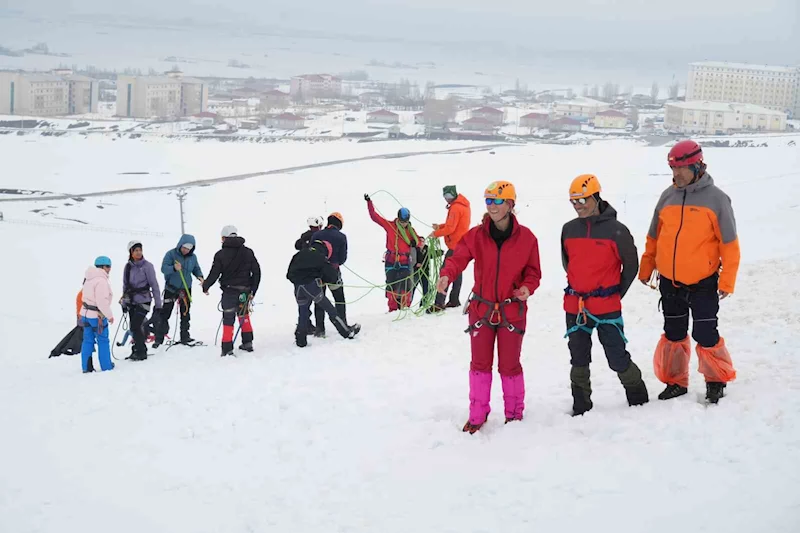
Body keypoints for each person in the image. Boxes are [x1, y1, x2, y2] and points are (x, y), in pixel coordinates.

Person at [639, 139, 739, 404]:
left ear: (697, 166)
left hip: (703, 281)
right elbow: (653, 236)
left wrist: (727, 280)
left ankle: (715, 380)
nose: (677, 174)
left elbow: (729, 245)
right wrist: (647, 265)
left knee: (705, 333)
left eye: (682, 168)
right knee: (674, 332)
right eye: (673, 168)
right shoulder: (667, 196)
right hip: (669, 281)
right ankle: (675, 382)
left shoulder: (717, 199)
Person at [437, 181, 541, 433]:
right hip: (481, 311)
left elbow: (533, 272)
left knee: (510, 365)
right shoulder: (476, 236)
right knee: (479, 365)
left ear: (510, 204)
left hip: (512, 311)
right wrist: (447, 274)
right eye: (488, 201)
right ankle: (477, 415)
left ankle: (514, 415)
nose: (492, 206)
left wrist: (527, 288)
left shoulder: (527, 238)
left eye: (497, 201)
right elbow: (458, 258)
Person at [561, 174, 648, 416]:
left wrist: (614, 293)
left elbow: (631, 266)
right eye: (573, 201)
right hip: (576, 306)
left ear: (596, 197)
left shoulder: (617, 231)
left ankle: (639, 399)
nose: (578, 205)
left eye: (582, 200)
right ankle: (581, 406)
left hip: (607, 306)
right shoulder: (568, 229)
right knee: (578, 358)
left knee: (617, 357)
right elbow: (568, 263)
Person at [287, 239, 361, 347]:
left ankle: (300, 339)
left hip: (298, 288)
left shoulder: (298, 255)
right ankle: (347, 332)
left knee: (303, 313)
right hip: (312, 287)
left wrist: (299, 281)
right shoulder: (320, 257)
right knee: (330, 309)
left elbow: (289, 274)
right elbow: (332, 276)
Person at [202, 225, 262, 356]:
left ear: (224, 238)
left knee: (228, 319)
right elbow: (257, 272)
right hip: (245, 291)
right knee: (244, 315)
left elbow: (214, 274)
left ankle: (227, 348)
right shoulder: (248, 252)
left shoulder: (220, 254)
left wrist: (205, 286)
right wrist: (253, 290)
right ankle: (248, 343)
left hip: (229, 291)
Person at [365, 194, 425, 311]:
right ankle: (392, 309)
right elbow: (374, 217)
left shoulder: (411, 231)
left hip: (405, 261)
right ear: (398, 218)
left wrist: (416, 242)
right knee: (391, 286)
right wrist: (369, 203)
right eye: (402, 221)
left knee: (405, 286)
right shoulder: (390, 226)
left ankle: (404, 308)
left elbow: (419, 242)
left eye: (406, 222)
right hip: (391, 260)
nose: (404, 224)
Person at [156, 234, 204, 347]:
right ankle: (159, 338)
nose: (186, 250)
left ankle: (185, 336)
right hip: (171, 288)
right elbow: (163, 269)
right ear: (180, 245)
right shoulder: (171, 254)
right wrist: (173, 268)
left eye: (188, 249)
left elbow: (196, 268)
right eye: (184, 248)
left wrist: (200, 276)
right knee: (165, 313)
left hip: (186, 289)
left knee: (185, 313)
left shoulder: (193, 257)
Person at [429, 185, 471, 311]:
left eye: (449, 195)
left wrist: (435, 234)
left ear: (454, 194)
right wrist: (440, 227)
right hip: (462, 245)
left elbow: (450, 228)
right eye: (445, 196)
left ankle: (439, 303)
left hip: (455, 246)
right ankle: (454, 300)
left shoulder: (456, 208)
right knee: (457, 272)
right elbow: (453, 225)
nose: (447, 198)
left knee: (445, 272)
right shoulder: (463, 205)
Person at [121, 241, 163, 361]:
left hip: (144, 300)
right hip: (131, 300)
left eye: (140, 250)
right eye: (136, 250)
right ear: (131, 252)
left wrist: (158, 305)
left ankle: (141, 351)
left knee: (135, 325)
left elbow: (154, 284)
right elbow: (125, 285)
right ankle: (137, 349)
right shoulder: (128, 267)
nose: (139, 252)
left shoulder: (147, 266)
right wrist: (124, 302)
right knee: (134, 326)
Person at [311, 212, 348, 335]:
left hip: (318, 273)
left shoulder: (316, 235)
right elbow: (342, 258)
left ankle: (320, 329)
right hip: (333, 272)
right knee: (339, 299)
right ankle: (343, 325)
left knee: (319, 299)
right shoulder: (341, 237)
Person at [79, 256, 116, 373]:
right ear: (103, 267)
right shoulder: (101, 281)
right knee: (103, 340)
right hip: (97, 316)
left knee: (87, 340)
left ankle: (86, 367)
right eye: (108, 266)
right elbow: (101, 301)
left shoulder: (88, 278)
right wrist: (109, 316)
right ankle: (106, 366)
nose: (109, 269)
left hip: (85, 314)